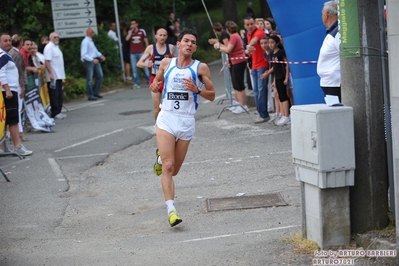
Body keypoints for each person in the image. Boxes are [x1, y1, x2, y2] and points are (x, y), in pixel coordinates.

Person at [149, 29, 215, 227]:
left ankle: (160, 156)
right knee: (168, 167)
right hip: (167, 118)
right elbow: (157, 80)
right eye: (186, 41)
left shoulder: (200, 68)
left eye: (193, 42)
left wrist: (197, 89)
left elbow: (212, 95)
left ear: (195, 47)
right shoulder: (166, 63)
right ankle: (171, 210)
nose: (189, 44)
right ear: (178, 44)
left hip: (186, 121)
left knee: (174, 170)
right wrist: (155, 86)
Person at [0, 33, 33, 156]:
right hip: (8, 91)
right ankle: (17, 146)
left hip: (8, 90)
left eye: (9, 40)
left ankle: (3, 147)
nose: (9, 42)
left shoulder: (5, 55)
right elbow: (1, 73)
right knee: (13, 120)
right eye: (5, 41)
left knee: (5, 120)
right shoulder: (3, 56)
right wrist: (8, 89)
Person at [137, 28, 174, 121]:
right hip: (155, 80)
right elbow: (139, 63)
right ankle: (158, 127)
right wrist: (146, 64)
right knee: (157, 109)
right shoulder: (151, 48)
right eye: (160, 35)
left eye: (164, 35)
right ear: (156, 36)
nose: (162, 37)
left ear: (167, 37)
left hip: (168, 80)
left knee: (169, 108)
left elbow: (177, 62)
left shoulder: (170, 48)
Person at [213, 21, 248, 114]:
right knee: (236, 84)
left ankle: (243, 105)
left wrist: (218, 47)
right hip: (235, 61)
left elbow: (228, 49)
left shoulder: (233, 37)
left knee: (239, 85)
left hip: (238, 62)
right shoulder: (235, 36)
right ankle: (238, 103)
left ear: (227, 29)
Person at [244, 17, 270, 124]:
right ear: (245, 26)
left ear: (254, 23)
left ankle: (263, 114)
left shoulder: (259, 32)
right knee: (256, 91)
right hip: (254, 65)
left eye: (251, 24)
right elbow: (250, 51)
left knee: (261, 90)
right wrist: (248, 52)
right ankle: (260, 112)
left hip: (262, 65)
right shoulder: (248, 34)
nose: (250, 26)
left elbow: (255, 40)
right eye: (247, 24)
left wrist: (248, 46)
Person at [317, 1, 341, 101]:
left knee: (337, 114)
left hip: (335, 84)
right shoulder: (332, 32)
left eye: (322, 14)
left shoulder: (338, 33)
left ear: (326, 15)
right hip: (329, 83)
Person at [9, 35, 28, 142]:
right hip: (17, 84)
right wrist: (23, 85)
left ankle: (11, 133)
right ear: (20, 43)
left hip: (13, 83)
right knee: (18, 108)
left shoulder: (10, 53)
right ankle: (19, 132)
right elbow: (20, 71)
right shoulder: (18, 54)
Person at [269, 35, 290, 125]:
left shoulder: (281, 52)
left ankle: (287, 116)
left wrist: (286, 77)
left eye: (272, 42)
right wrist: (274, 80)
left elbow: (287, 65)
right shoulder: (272, 54)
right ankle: (283, 114)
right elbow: (275, 68)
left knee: (284, 96)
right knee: (280, 97)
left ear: (277, 43)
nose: (270, 44)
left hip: (282, 77)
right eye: (269, 42)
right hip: (277, 77)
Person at [44, 32, 66, 119]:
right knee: (54, 94)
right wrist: (51, 73)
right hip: (53, 76)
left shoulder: (56, 47)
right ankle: (55, 112)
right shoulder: (49, 47)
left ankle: (59, 111)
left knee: (59, 94)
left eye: (57, 37)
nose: (56, 38)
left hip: (59, 75)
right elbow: (47, 61)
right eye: (54, 37)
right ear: (50, 38)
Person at [81, 28, 106, 101]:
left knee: (100, 76)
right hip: (89, 61)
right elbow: (84, 54)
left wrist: (100, 55)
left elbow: (95, 51)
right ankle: (90, 95)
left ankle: (95, 92)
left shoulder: (91, 41)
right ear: (89, 33)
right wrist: (92, 59)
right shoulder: (85, 42)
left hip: (94, 60)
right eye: (93, 32)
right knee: (90, 79)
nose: (94, 33)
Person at [126, 19, 150, 89]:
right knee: (134, 68)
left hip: (141, 52)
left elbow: (146, 41)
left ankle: (149, 81)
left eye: (134, 24)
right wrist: (130, 31)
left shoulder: (142, 31)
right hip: (132, 53)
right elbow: (127, 39)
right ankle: (136, 82)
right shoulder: (130, 32)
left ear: (137, 24)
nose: (132, 25)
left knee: (145, 66)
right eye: (131, 24)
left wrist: (148, 51)